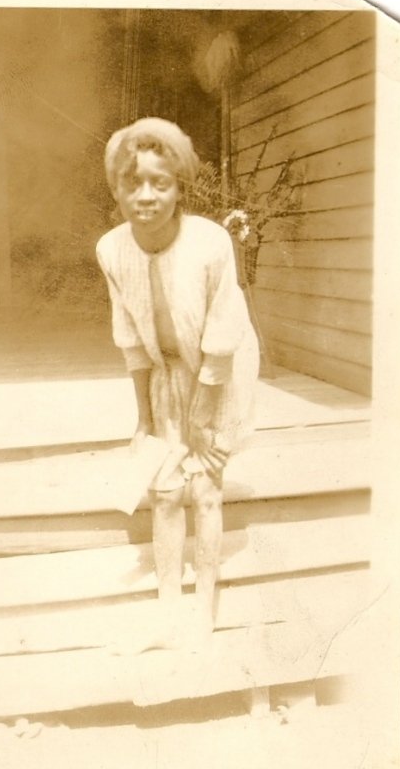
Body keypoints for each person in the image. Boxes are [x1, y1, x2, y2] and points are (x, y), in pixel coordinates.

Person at [96, 117, 259, 653]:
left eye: (159, 184)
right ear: (117, 187)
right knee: (165, 490)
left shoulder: (211, 244)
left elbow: (223, 334)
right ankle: (169, 603)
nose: (145, 196)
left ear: (178, 186)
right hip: (166, 372)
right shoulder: (112, 249)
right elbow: (130, 337)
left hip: (221, 371)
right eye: (132, 183)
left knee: (205, 489)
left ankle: (204, 608)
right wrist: (145, 419)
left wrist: (204, 415)